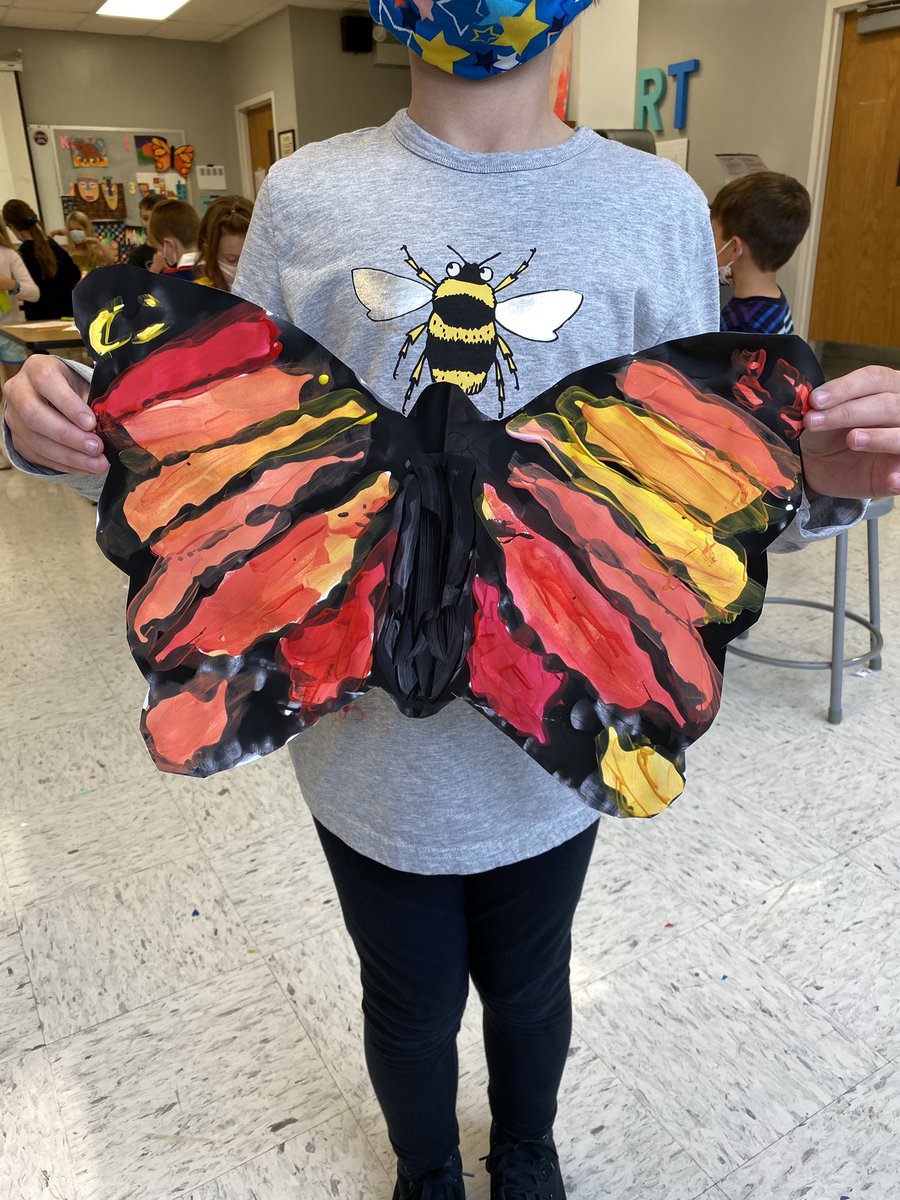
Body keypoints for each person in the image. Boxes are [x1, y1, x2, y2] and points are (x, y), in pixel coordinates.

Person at [3, 5, 900, 1197]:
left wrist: (823, 476)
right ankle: (424, 1169)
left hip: (558, 724)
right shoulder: (309, 195)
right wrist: (60, 428)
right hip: (362, 751)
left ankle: (525, 1150)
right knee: (406, 1000)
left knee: (533, 983)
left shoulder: (657, 208)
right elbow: (229, 453)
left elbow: (692, 488)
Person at [710, 171, 811, 335]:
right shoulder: (773, 301)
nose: (709, 243)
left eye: (713, 234)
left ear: (735, 248)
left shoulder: (741, 326)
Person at [1, 199, 81, 321]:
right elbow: (75, 275)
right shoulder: (54, 245)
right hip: (68, 314)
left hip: (39, 318)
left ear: (11, 227)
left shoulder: (21, 253)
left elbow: (27, 290)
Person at [0, 211, 40, 380]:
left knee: (16, 389)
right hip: (10, 332)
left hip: (10, 332)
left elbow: (34, 293)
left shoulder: (8, 255)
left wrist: (11, 285)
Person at [195, 194, 253, 292]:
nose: (241, 270)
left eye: (249, 260)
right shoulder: (198, 295)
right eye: (231, 260)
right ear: (207, 250)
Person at [146, 198, 201, 280]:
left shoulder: (171, 281)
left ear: (169, 245)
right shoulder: (217, 269)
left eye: (161, 250)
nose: (163, 256)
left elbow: (144, 292)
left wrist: (154, 271)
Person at [48, 210, 119, 273]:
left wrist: (97, 243)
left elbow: (111, 259)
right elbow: (44, 254)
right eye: (71, 229)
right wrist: (53, 233)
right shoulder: (65, 249)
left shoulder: (94, 250)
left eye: (79, 229)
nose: (75, 232)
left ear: (87, 230)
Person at [127, 193, 164, 270]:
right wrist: (155, 268)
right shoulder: (137, 256)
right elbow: (134, 282)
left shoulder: (176, 251)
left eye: (155, 217)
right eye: (146, 218)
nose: (150, 223)